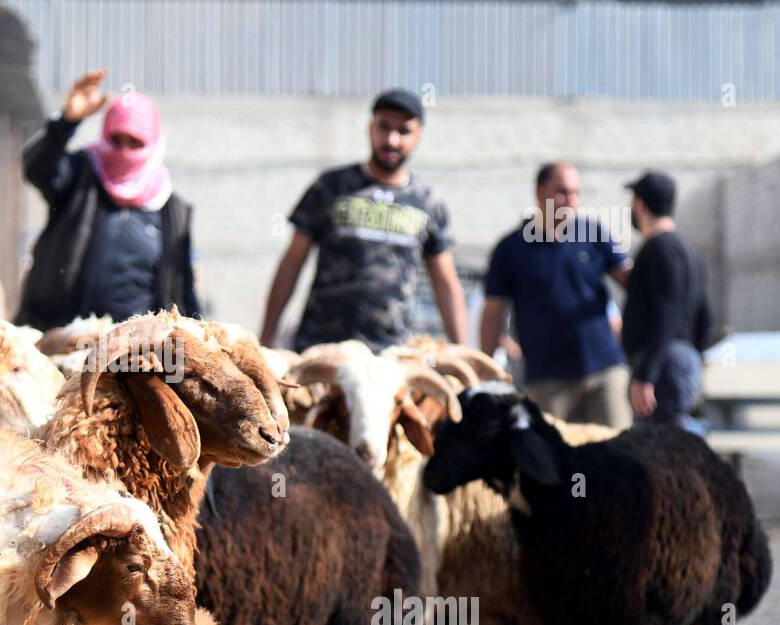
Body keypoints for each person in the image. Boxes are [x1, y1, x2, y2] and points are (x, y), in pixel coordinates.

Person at [260, 88, 467, 352]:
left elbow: (446, 283)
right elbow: (292, 263)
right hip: (321, 349)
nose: (391, 140)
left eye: (403, 131)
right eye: (384, 127)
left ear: (418, 137)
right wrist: (266, 338)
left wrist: (464, 353)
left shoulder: (428, 202)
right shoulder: (330, 187)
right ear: (370, 128)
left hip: (391, 354)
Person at [15, 68, 199, 330]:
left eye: (134, 143)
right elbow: (36, 168)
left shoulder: (171, 210)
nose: (124, 151)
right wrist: (66, 122)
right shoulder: (81, 175)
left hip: (133, 356)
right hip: (59, 339)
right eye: (117, 140)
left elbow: (182, 287)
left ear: (152, 142)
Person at [480, 162, 633, 428]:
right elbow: (493, 311)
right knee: (554, 461)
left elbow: (634, 282)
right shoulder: (511, 249)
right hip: (548, 381)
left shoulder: (594, 234)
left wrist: (661, 252)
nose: (570, 200)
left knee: (618, 454)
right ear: (540, 193)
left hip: (606, 372)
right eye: (562, 191)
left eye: (575, 192)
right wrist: (484, 367)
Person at [622, 169, 714, 427]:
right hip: (681, 359)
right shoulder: (689, 252)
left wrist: (645, 376)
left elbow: (667, 314)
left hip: (662, 365)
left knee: (658, 455)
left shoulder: (659, 249)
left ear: (640, 204)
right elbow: (705, 317)